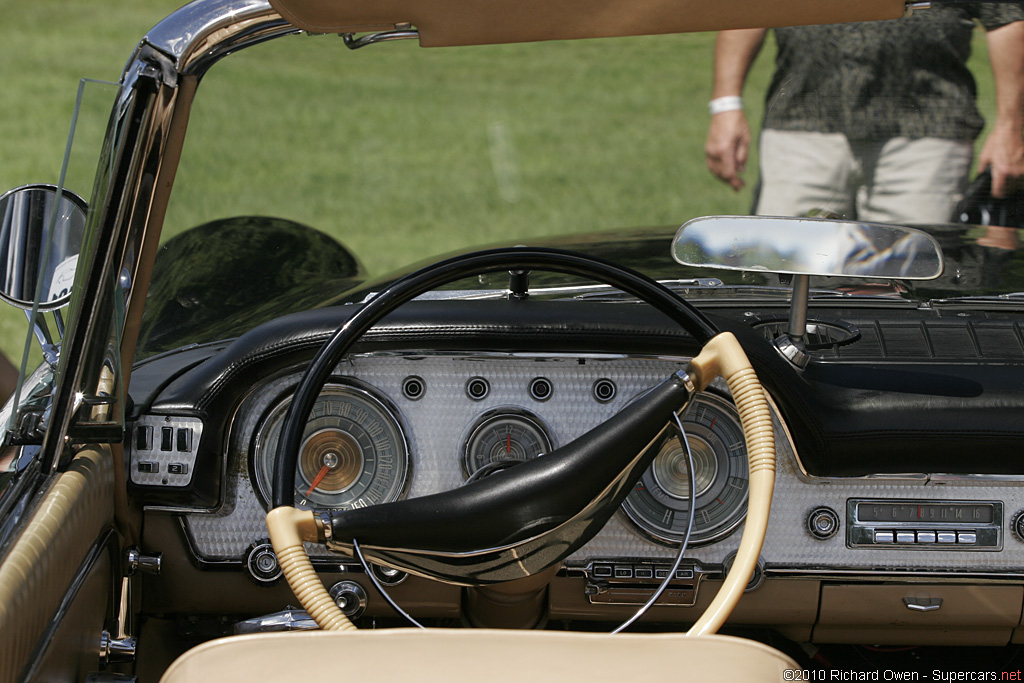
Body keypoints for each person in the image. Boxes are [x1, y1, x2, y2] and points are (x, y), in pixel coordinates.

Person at [704, 4, 1024, 224]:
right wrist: (725, 104)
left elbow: (1007, 17)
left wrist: (1011, 128)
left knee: (914, 282)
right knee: (782, 276)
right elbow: (747, 7)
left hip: (927, 130)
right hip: (801, 124)